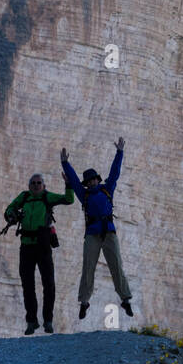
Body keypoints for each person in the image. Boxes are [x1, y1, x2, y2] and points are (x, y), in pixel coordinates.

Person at [60, 137, 133, 320]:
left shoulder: (107, 189)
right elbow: (75, 182)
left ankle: (125, 299)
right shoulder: (83, 194)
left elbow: (114, 173)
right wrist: (65, 163)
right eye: (89, 181)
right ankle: (84, 302)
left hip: (108, 232)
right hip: (93, 234)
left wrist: (120, 152)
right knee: (88, 268)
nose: (91, 182)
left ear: (97, 180)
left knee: (116, 266)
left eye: (93, 180)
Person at [4, 172, 74, 335]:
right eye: (33, 183)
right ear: (29, 186)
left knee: (48, 284)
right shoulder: (24, 197)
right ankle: (31, 321)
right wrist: (11, 215)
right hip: (26, 245)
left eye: (39, 183)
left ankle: (47, 320)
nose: (36, 185)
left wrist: (69, 185)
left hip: (42, 245)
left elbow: (69, 200)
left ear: (44, 186)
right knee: (28, 285)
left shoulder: (47, 197)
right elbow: (10, 208)